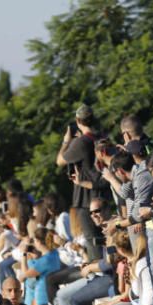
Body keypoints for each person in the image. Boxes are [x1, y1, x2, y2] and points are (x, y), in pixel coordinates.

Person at [56, 104, 103, 259]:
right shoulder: (102, 138)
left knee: (92, 239)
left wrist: (66, 142)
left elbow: (60, 161)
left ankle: (99, 272)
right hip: (103, 193)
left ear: (78, 121)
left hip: (85, 198)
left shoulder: (80, 142)